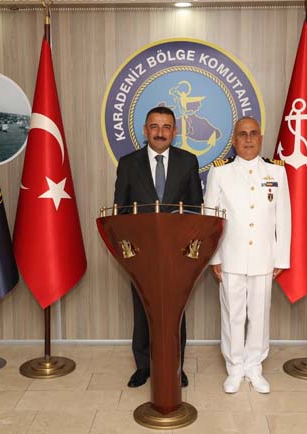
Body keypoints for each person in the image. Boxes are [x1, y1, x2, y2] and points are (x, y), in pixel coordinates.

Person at [114, 106, 203, 388]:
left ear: (174, 132)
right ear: (145, 130)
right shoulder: (128, 163)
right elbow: (120, 211)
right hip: (141, 254)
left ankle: (176, 366)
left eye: (166, 127)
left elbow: (195, 209)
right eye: (154, 126)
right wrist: (129, 250)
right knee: (143, 310)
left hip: (177, 254)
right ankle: (143, 366)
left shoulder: (188, 161)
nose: (160, 133)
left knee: (175, 312)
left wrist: (188, 248)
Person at [203, 117, 291, 394]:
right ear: (234, 140)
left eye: (253, 133)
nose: (249, 139)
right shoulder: (220, 173)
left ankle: (254, 367)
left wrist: (280, 258)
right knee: (233, 315)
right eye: (242, 134)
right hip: (231, 256)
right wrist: (214, 257)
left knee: (260, 315)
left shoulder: (276, 172)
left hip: (264, 257)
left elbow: (284, 217)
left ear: (261, 138)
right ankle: (235, 368)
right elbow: (211, 218)